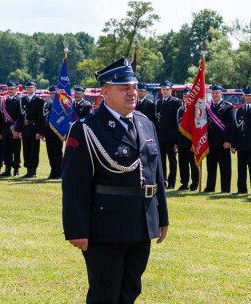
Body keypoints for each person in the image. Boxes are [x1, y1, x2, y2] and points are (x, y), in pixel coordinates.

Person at [62, 57, 168, 303]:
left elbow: (156, 174)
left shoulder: (145, 123)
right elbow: (74, 185)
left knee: (131, 290)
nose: (132, 93)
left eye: (134, 87)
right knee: (105, 294)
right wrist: (77, 229)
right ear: (105, 93)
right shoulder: (87, 129)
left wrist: (162, 217)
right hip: (106, 227)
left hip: (142, 223)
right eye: (124, 88)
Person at [204, 83, 235, 194]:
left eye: (217, 93)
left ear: (221, 93)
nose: (215, 95)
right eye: (213, 93)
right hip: (210, 142)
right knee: (210, 167)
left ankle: (225, 189)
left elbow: (230, 126)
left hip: (222, 142)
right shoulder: (207, 106)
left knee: (225, 168)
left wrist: (228, 141)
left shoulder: (228, 107)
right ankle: (210, 187)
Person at [154, 80, 182, 189]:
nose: (165, 92)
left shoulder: (176, 102)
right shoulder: (158, 103)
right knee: (161, 162)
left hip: (171, 137)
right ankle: (163, 181)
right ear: (161, 91)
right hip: (160, 137)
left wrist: (176, 141)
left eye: (167, 90)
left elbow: (177, 122)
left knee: (172, 161)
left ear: (171, 90)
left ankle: (171, 182)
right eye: (163, 90)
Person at [16, 80, 44, 178]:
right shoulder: (23, 100)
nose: (28, 89)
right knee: (26, 150)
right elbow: (20, 116)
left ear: (35, 88)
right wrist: (19, 130)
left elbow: (41, 117)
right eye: (27, 87)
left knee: (34, 150)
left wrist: (39, 131)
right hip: (25, 128)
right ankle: (28, 170)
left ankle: (33, 171)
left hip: (34, 127)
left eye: (31, 87)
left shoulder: (39, 100)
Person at [175, 87, 199, 191]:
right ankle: (184, 183)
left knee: (193, 165)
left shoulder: (196, 110)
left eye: (189, 97)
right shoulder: (180, 110)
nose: (187, 99)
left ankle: (195, 183)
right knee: (183, 165)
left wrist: (195, 143)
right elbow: (177, 128)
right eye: (185, 97)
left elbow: (197, 129)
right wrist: (176, 143)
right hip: (181, 142)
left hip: (191, 143)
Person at [0, 81, 22, 177]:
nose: (10, 91)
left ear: (16, 89)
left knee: (16, 150)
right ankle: (7, 169)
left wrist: (17, 130)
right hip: (5, 129)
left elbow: (20, 117)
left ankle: (16, 170)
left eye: (12, 89)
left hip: (14, 129)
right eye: (9, 89)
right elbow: (1, 118)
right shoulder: (4, 100)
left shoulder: (19, 100)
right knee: (6, 150)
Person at [41, 85, 63, 179]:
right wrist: (43, 132)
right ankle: (52, 172)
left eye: (54, 93)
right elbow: (44, 119)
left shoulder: (61, 104)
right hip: (48, 133)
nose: (52, 95)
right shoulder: (48, 104)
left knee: (58, 153)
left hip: (57, 133)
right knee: (50, 154)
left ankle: (59, 173)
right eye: (51, 93)